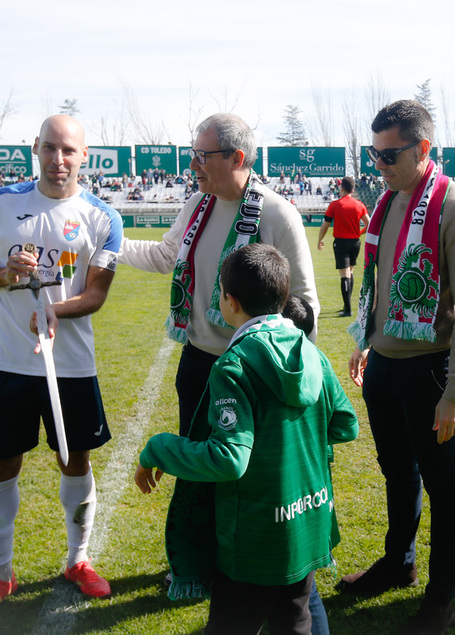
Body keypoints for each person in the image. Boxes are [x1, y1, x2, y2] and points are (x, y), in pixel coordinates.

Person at [135, 243, 358, 635]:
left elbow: (229, 459)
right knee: (296, 619)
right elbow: (345, 424)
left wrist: (159, 449)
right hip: (305, 523)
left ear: (230, 301)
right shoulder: (310, 351)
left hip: (253, 538)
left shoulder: (233, 365)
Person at [0, 115, 123, 624]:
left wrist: (55, 310)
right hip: (6, 361)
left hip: (71, 364)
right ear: (36, 149)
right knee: (1, 464)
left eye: (68, 151)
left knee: (75, 461)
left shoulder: (103, 218)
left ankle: (78, 560)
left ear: (84, 156)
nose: (58, 160)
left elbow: (93, 295)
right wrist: (5, 275)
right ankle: (0, 573)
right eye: (50, 148)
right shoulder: (2, 203)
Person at [340, 100, 455, 635]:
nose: (378, 166)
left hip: (431, 372)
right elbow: (379, 282)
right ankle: (397, 562)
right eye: (373, 155)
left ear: (423, 149)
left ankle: (440, 600)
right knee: (396, 472)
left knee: (444, 485)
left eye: (389, 155)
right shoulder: (386, 202)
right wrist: (367, 340)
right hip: (384, 364)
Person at [119, 113, 318, 437]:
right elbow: (165, 255)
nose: (193, 165)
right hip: (197, 365)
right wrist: (112, 247)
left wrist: (294, 379)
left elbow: (304, 304)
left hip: (253, 370)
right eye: (193, 155)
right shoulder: (196, 204)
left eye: (202, 156)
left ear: (236, 158)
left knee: (245, 479)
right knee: (196, 473)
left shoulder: (278, 214)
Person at [317, 176, 370, 317]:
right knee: (350, 272)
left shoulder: (335, 205)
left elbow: (325, 225)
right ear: (353, 189)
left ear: (341, 188)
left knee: (344, 274)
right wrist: (359, 232)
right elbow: (369, 224)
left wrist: (320, 240)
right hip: (355, 243)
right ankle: (347, 306)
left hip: (340, 243)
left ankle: (347, 309)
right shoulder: (360, 205)